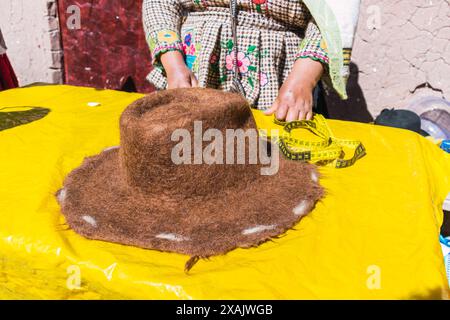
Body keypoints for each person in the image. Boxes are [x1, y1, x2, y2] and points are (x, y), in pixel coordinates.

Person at [143, 0, 357, 121]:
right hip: (195, 67)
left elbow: (335, 12)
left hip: (282, 76)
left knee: (273, 178)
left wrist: (303, 81)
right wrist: (174, 65)